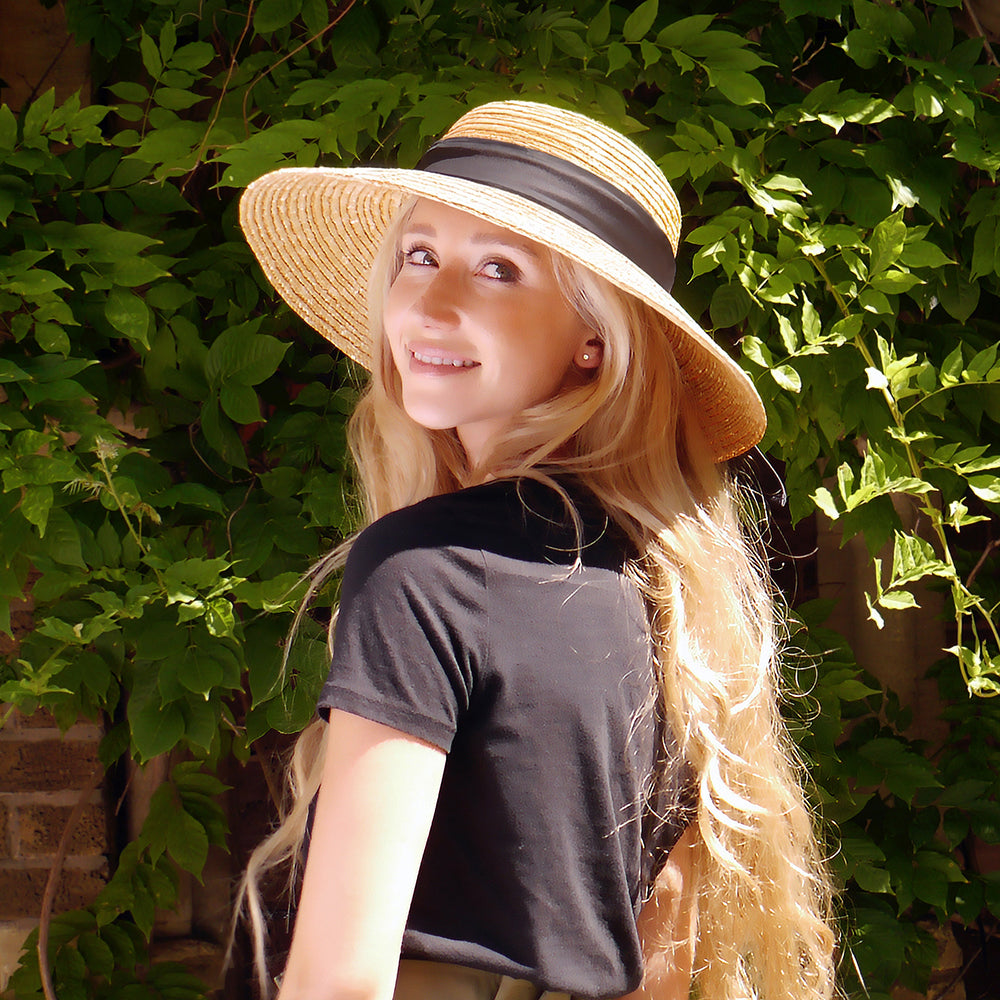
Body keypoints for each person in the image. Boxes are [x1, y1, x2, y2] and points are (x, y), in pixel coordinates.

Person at [236, 100, 836, 1000]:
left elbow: (341, 982)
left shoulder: (424, 574)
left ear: (596, 338)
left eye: (498, 270)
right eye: (419, 255)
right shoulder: (674, 593)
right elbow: (662, 966)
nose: (431, 303)